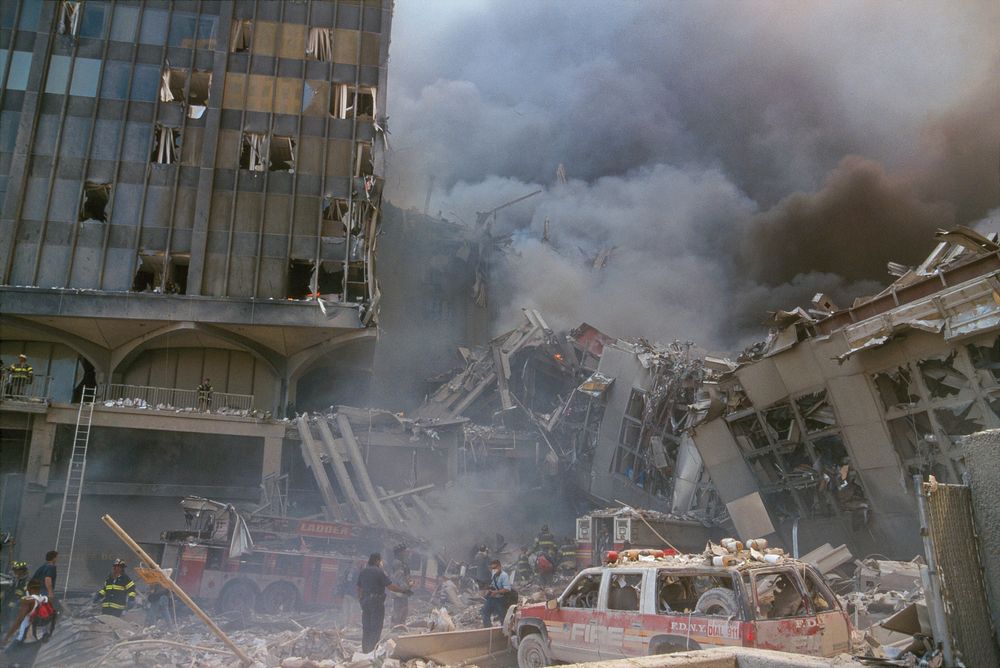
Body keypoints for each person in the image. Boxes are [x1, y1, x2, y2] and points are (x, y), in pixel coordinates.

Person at [356, 553, 411, 653]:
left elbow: (359, 588)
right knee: (376, 627)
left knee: (366, 627)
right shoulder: (379, 572)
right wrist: (403, 590)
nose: (381, 563)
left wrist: (361, 600)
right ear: (377, 561)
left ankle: (365, 651)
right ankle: (372, 651)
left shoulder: (363, 571)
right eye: (381, 561)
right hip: (376, 602)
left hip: (365, 602)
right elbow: (390, 586)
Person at [2, 579, 51, 646]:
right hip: (41, 636)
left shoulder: (27, 602)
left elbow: (18, 622)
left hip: (26, 640)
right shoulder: (44, 599)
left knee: (6, 654)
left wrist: (7, 637)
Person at [481, 560, 513, 628]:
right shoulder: (493, 574)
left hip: (500, 599)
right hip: (492, 598)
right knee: (485, 611)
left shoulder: (504, 576)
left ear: (500, 567)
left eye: (495, 568)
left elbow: (507, 589)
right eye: (492, 568)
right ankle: (488, 628)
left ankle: (504, 631)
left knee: (502, 616)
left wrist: (496, 592)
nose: (494, 570)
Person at [389, 543, 413, 627]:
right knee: (398, 609)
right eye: (404, 551)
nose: (406, 553)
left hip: (401, 591)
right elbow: (399, 578)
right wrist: (406, 589)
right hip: (399, 591)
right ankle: (396, 626)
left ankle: (400, 625)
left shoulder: (402, 563)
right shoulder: (397, 563)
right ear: (400, 552)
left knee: (403, 609)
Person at [2, 562, 29, 629]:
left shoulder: (26, 581)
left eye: (16, 570)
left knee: (8, 609)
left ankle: (7, 628)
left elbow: (22, 593)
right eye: (14, 570)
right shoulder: (15, 579)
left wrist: (13, 601)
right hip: (10, 599)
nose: (14, 572)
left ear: (22, 571)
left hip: (19, 602)